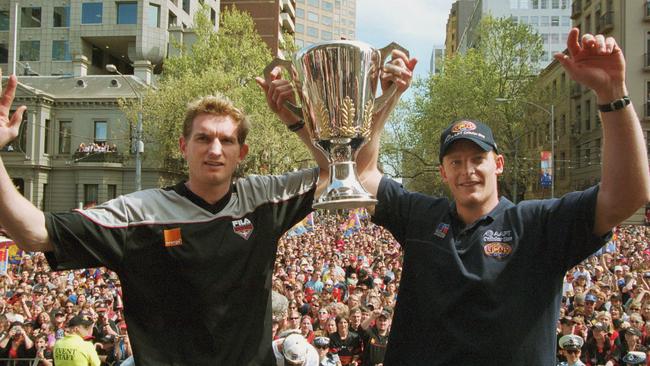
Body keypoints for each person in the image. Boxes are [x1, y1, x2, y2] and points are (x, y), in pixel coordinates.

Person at [355, 28, 650, 364]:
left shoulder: (538, 225)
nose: (467, 170)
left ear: (498, 164)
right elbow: (363, 175)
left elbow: (627, 196)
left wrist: (613, 93)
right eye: (456, 162)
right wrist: (387, 97)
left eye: (477, 159)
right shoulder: (421, 217)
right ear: (443, 173)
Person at [0, 67, 331, 364]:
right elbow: (31, 233)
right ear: (183, 146)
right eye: (203, 138)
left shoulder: (263, 198)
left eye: (226, 140)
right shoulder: (141, 213)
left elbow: (340, 171)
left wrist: (294, 119)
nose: (215, 149)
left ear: (240, 153)